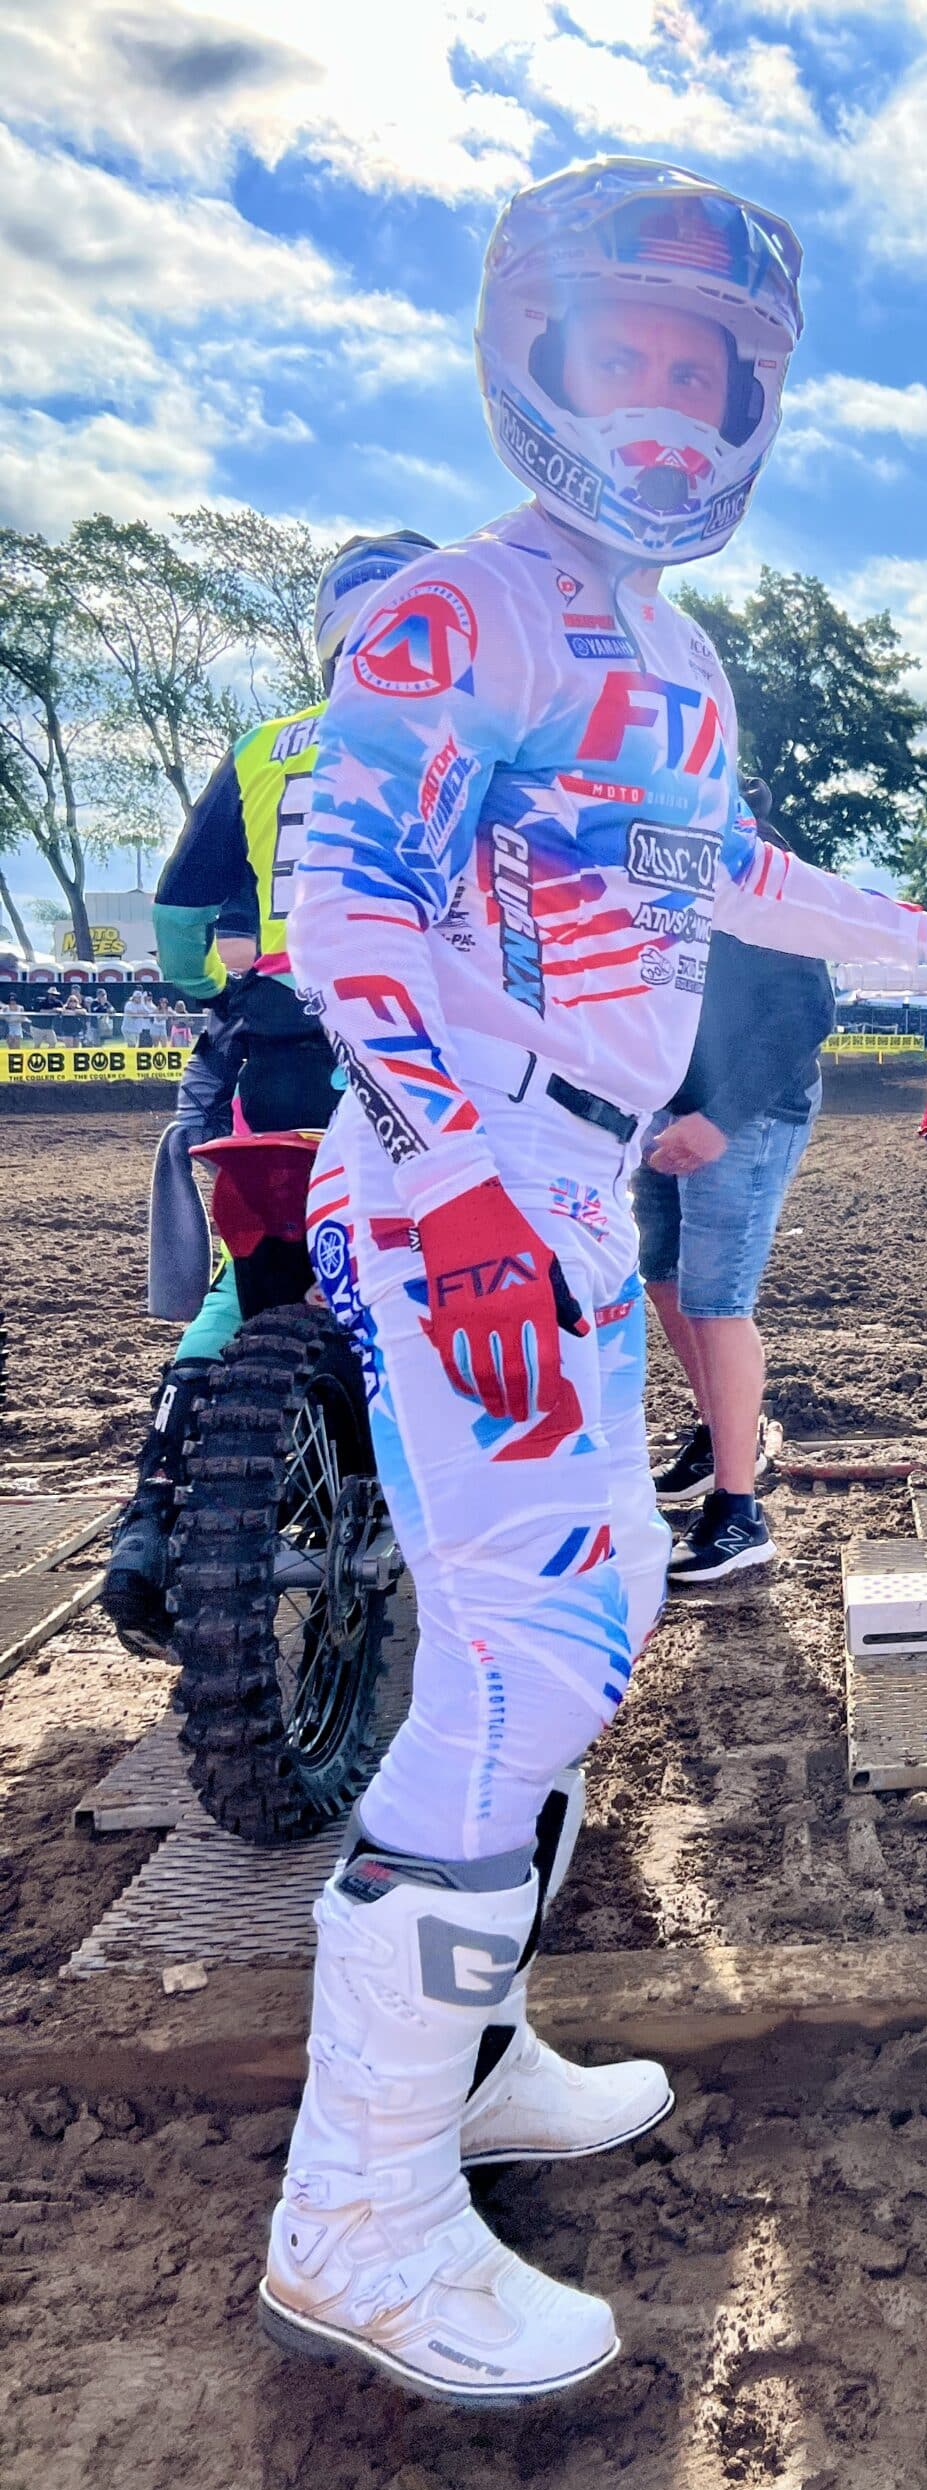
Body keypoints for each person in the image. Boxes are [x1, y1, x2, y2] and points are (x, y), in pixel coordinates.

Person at [264, 155, 927, 2407]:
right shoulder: (460, 608)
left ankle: (472, 2046)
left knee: (575, 1598)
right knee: (536, 1642)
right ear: (533, 357)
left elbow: (737, 875)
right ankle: (357, 2205)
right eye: (627, 353)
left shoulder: (678, 653)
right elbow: (351, 921)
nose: (666, 408)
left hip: (566, 1181)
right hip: (469, 1188)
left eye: (704, 370)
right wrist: (466, 1183)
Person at [99, 531, 438, 1658]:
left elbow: (186, 931)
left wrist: (229, 979)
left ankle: (152, 1506)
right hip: (422, 1049)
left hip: (280, 1051)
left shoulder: (262, 747)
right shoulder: (466, 730)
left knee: (249, 1280)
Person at [638, 782, 831, 1584]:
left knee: (719, 1303)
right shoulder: (641, 845)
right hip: (670, 1102)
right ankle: (722, 1429)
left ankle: (739, 1513)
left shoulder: (758, 864)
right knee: (664, 1278)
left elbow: (809, 1010)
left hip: (749, 1107)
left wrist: (719, 1119)